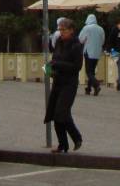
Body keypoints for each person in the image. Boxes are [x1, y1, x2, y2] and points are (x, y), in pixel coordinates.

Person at [45, 17, 84, 153]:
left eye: (64, 30)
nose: (61, 32)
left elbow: (77, 66)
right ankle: (62, 145)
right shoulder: (59, 42)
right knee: (55, 114)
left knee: (61, 112)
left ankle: (76, 137)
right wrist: (49, 69)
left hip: (69, 84)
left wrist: (58, 64)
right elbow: (54, 59)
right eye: (60, 29)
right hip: (58, 82)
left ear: (71, 30)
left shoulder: (76, 45)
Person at [78, 13, 105, 95]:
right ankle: (89, 88)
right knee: (92, 71)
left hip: (88, 52)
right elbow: (103, 41)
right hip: (97, 53)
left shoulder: (86, 28)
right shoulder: (101, 29)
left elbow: (80, 39)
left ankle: (96, 84)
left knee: (88, 72)